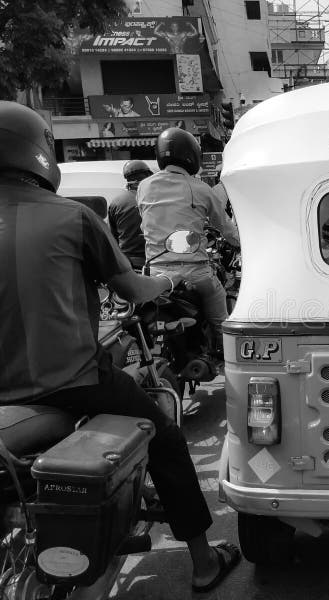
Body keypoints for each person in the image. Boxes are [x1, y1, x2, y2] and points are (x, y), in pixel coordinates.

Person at [0, 101, 240, 592]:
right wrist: (164, 288)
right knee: (168, 440)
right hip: (70, 381)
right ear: (39, 153)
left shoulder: (138, 193)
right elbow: (131, 289)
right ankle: (203, 563)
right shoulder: (72, 217)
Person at [137, 127, 239, 358]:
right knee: (220, 308)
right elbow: (227, 229)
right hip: (195, 273)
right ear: (191, 155)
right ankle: (225, 354)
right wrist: (243, 244)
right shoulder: (201, 188)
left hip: (156, 274)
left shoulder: (144, 186)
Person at [108, 160, 151, 270]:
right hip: (154, 259)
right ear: (147, 176)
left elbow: (112, 238)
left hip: (127, 263)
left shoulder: (116, 202)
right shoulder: (156, 199)